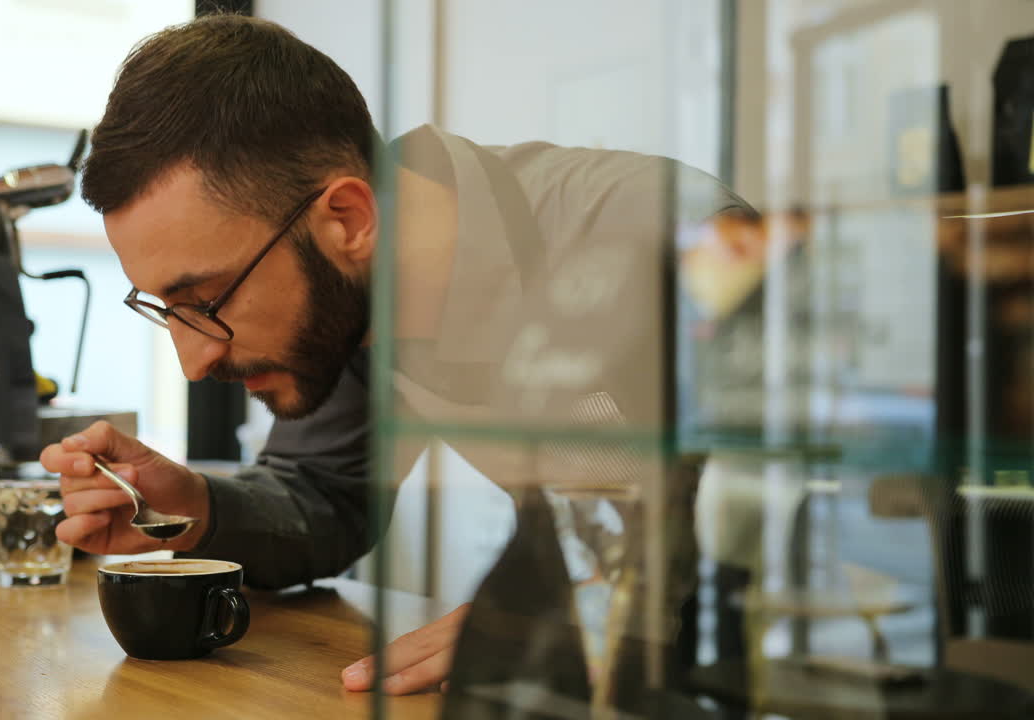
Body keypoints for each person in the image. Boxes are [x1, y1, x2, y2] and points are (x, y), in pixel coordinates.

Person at [38, 13, 759, 696]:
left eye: (206, 299)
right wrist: (197, 507)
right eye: (168, 309)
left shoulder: (671, 238)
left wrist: (577, 608)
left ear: (349, 218)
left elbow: (786, 536)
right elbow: (326, 493)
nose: (193, 364)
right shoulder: (358, 301)